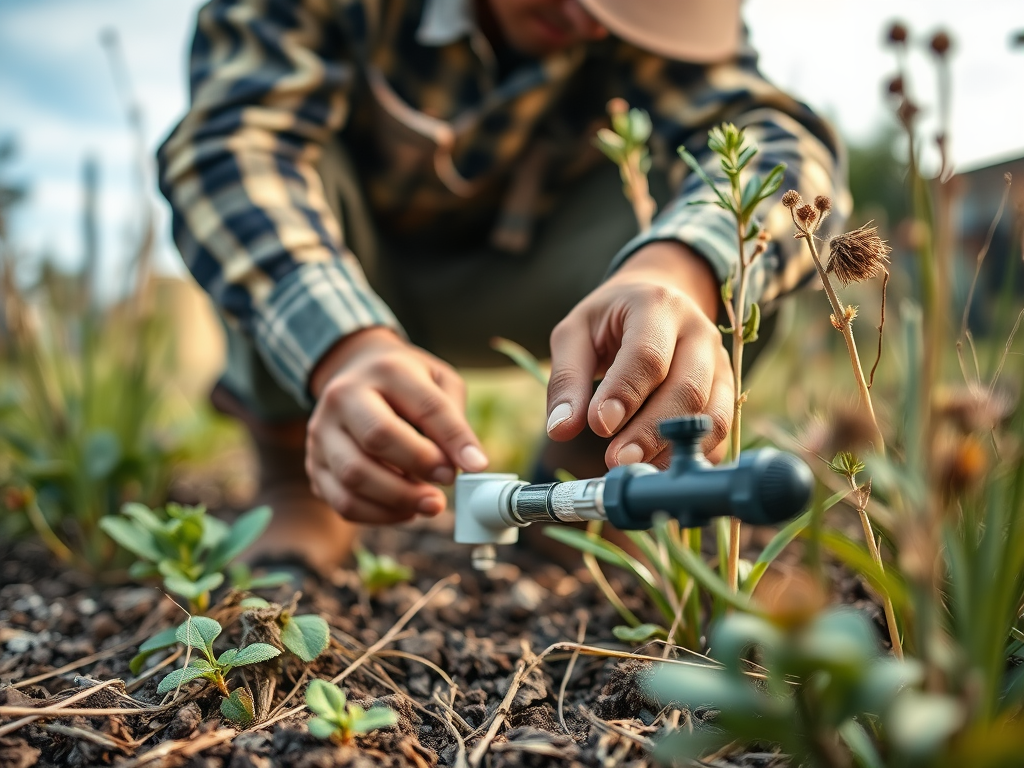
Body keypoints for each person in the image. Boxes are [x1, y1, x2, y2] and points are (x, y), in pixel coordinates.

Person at [158, 0, 847, 573]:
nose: (588, 24)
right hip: (344, 267)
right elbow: (228, 153)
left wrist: (678, 268)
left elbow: (782, 148)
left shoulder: (625, 25)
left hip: (538, 280)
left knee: (730, 244)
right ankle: (299, 471)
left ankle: (586, 481)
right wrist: (344, 346)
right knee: (253, 202)